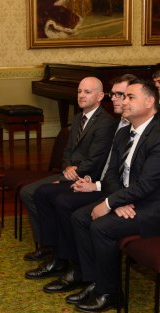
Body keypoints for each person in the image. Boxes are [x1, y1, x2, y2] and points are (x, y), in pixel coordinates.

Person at [69, 78, 160, 313]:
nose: (124, 101)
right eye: (124, 97)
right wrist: (118, 202)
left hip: (157, 210)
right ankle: (96, 281)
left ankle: (110, 293)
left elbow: (148, 185)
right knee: (80, 217)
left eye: (131, 97)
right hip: (133, 201)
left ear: (150, 101)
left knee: (101, 226)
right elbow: (113, 176)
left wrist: (111, 202)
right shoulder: (124, 134)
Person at [24, 74, 135, 291]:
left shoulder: (115, 125)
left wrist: (96, 185)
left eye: (123, 95)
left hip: (104, 185)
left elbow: (102, 163)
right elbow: (73, 153)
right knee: (42, 194)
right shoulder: (117, 124)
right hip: (96, 181)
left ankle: (73, 266)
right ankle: (58, 256)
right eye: (116, 95)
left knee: (62, 201)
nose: (117, 100)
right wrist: (68, 170)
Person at [20, 77, 117, 262]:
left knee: (38, 193)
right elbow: (67, 150)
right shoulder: (78, 117)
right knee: (28, 192)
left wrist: (69, 176)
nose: (81, 95)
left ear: (100, 96)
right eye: (80, 91)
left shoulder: (105, 122)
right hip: (69, 172)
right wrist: (66, 168)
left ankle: (53, 246)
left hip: (86, 177)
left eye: (87, 92)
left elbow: (95, 160)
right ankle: (47, 244)